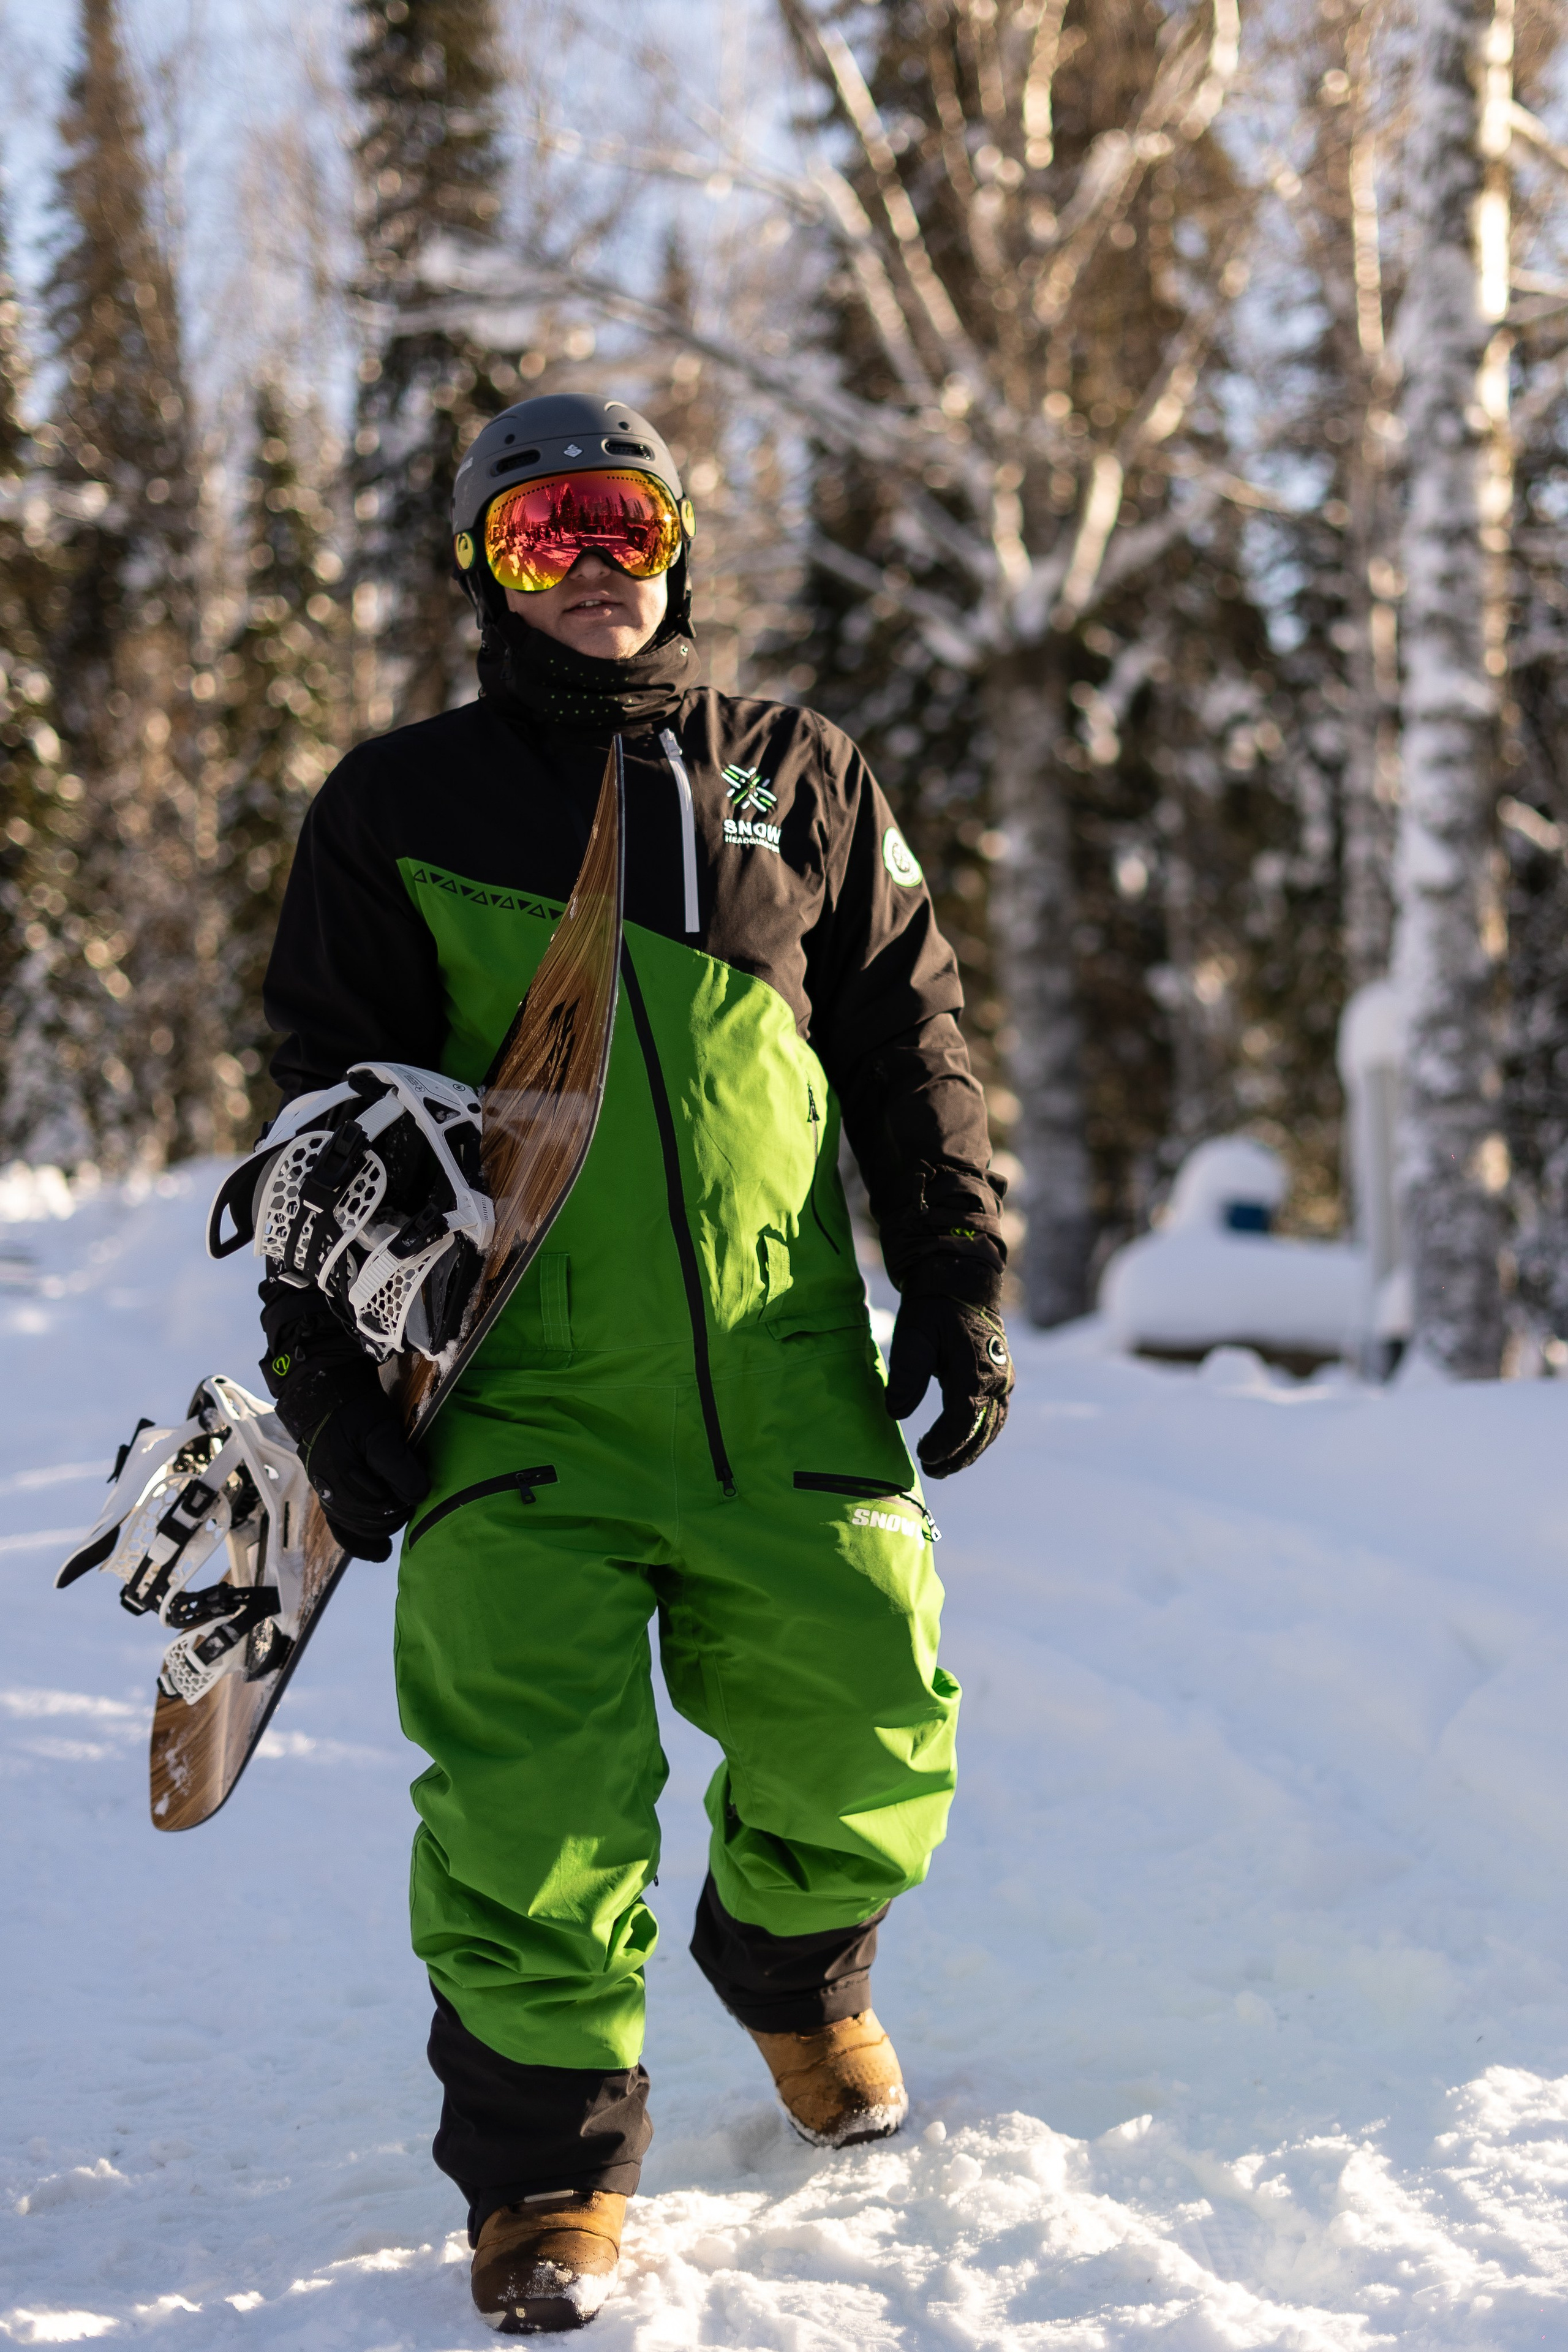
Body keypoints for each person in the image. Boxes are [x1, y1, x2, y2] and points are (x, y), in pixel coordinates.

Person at [257, 392, 1012, 2334]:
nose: (592, 563)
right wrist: (334, 1386)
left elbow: (910, 1034)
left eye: (623, 521)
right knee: (529, 1798)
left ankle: (791, 1968)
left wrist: (954, 1268)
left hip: (783, 1366)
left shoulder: (799, 773)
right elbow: (322, 1118)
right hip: (515, 1392)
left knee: (872, 1723)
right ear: (484, 576)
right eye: (540, 535)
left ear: (677, 539)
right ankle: (544, 2178)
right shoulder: (399, 805)